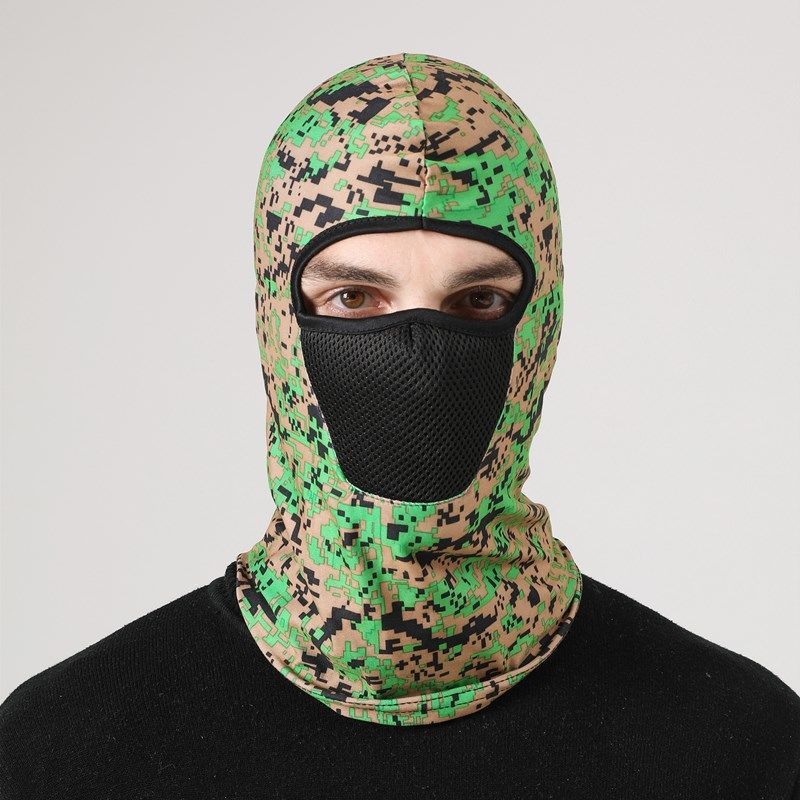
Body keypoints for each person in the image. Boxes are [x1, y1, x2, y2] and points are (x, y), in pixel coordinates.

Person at [1, 51, 798, 799]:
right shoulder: (61, 754)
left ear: (542, 323)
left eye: (478, 301)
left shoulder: (741, 747)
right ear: (278, 321)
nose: (420, 361)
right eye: (353, 298)